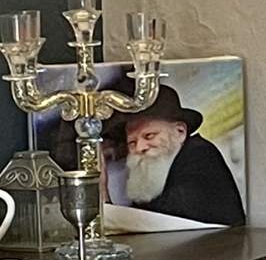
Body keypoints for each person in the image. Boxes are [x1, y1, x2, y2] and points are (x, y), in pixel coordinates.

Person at [105, 85, 245, 226]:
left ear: (179, 132)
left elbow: (157, 220)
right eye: (132, 143)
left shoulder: (199, 155)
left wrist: (103, 196)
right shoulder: (152, 171)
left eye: (149, 136)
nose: (140, 147)